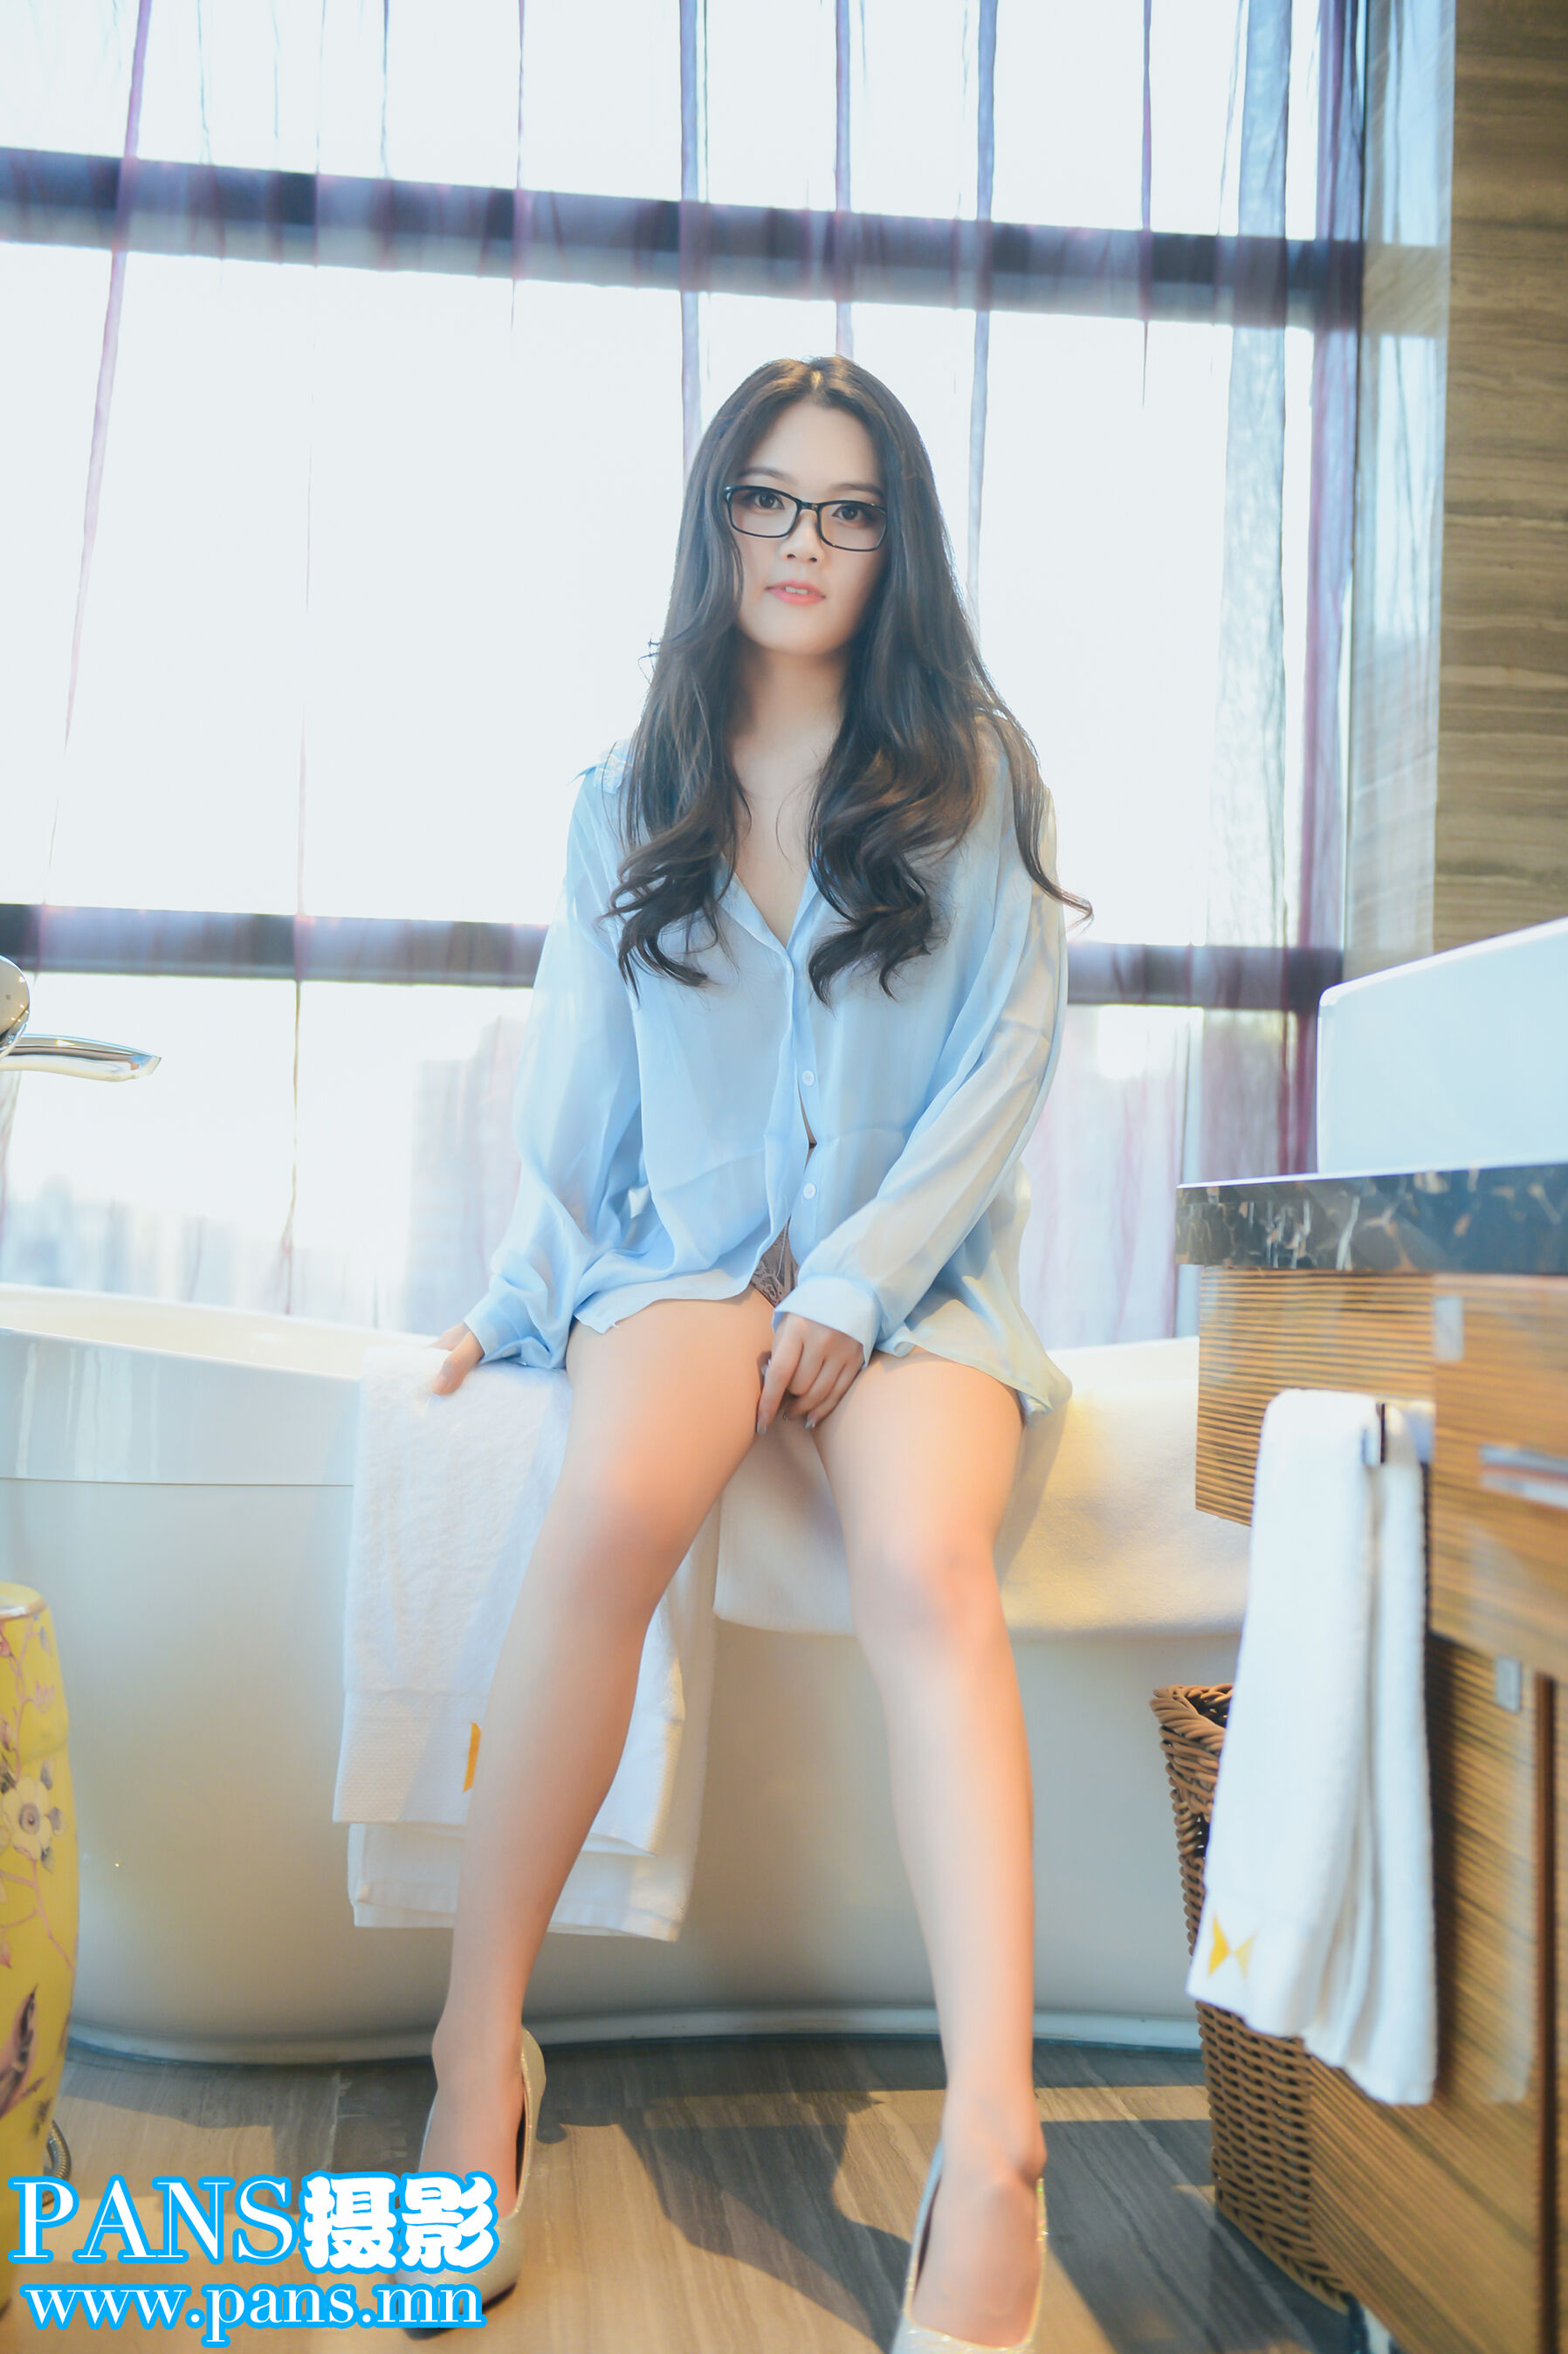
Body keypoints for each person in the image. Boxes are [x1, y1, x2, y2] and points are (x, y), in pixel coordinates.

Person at [419, 354, 1089, 2352]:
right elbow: (584, 1108)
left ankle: (997, 2146)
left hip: (914, 1277)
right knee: (613, 1505)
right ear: (717, 519)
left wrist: (858, 1284)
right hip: (691, 1272)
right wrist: (521, 1295)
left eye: (850, 509)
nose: (805, 542)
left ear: (898, 543)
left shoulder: (977, 774)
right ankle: (472, 2055)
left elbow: (1003, 1068)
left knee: (929, 1569)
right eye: (769, 500)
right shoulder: (624, 793)